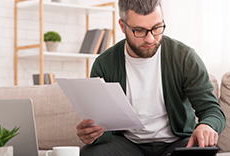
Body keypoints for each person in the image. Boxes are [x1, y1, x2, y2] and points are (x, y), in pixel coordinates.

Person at [76, 0, 226, 155]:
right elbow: (104, 124)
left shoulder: (184, 57)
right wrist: (93, 134)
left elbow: (212, 110)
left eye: (157, 28)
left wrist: (206, 126)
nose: (150, 39)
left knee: (201, 151)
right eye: (139, 31)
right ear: (122, 26)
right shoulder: (104, 64)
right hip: (128, 145)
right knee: (91, 153)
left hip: (177, 142)